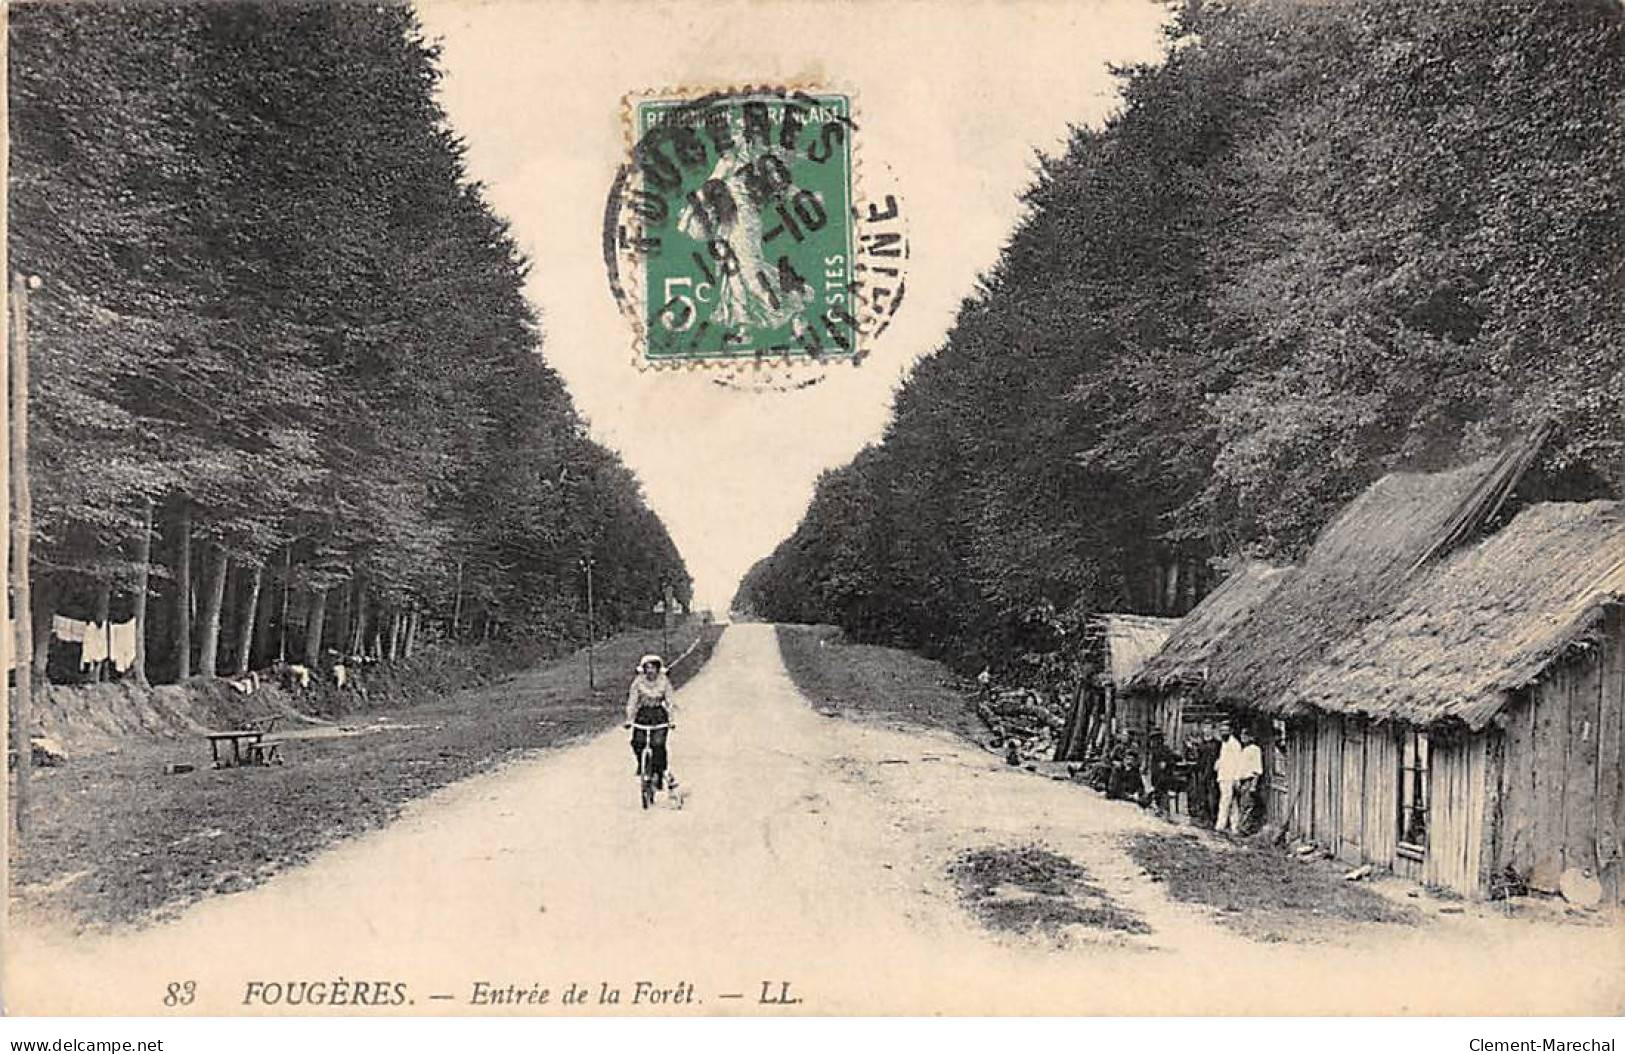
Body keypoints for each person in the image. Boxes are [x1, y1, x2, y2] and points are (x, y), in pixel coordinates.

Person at [625, 654, 676, 788]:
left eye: (653, 667)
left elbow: (670, 701)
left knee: (658, 744)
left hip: (659, 714)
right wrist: (629, 719)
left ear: (658, 669)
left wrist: (671, 720)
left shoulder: (664, 682)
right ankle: (642, 765)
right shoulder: (638, 682)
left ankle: (659, 772)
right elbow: (632, 701)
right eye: (647, 668)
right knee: (637, 742)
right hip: (643, 714)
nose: (650, 671)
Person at [1234, 727, 1265, 834]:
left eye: (1246, 735)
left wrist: (1253, 785)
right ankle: (1241, 827)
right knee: (1242, 805)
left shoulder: (1255, 750)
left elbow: (1257, 769)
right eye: (1242, 735)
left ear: (1251, 737)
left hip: (1249, 780)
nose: (1243, 737)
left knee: (1248, 805)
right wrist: (1237, 780)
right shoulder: (1244, 750)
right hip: (1242, 781)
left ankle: (1244, 829)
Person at [1215, 723, 1244, 834]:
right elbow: (1223, 759)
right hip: (1223, 776)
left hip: (1230, 776)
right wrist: (1218, 764)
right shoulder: (1224, 744)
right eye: (1221, 731)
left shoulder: (1235, 744)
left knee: (1225, 801)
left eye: (1226, 731)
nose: (1223, 733)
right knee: (1231, 802)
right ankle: (1234, 826)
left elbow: (1238, 762)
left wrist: (1236, 778)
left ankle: (1220, 825)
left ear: (1230, 731)